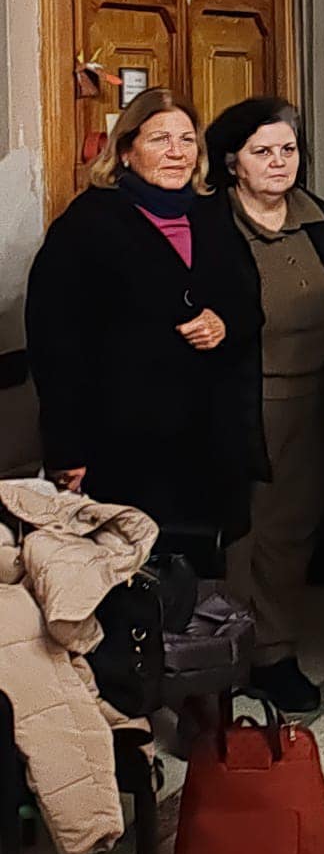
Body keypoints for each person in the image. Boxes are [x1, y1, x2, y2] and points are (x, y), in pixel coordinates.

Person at [27, 89, 263, 557]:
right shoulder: (85, 225)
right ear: (125, 151)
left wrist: (223, 323)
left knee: (200, 571)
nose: (177, 152)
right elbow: (55, 347)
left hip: (209, 439)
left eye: (187, 140)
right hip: (122, 444)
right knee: (130, 573)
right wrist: (65, 450)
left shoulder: (210, 213)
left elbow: (247, 301)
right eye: (160, 139)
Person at [206, 97, 324, 713]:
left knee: (292, 531)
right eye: (262, 151)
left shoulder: (318, 221)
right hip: (241, 399)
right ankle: (229, 654)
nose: (278, 162)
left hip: (315, 397)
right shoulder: (210, 225)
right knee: (241, 535)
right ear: (233, 162)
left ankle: (273, 650)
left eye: (288, 150)